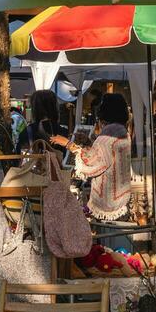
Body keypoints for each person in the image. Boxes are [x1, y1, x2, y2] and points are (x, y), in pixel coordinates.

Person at [53, 91, 133, 220]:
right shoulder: (123, 133)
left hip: (107, 202)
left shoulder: (107, 136)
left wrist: (68, 144)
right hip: (122, 198)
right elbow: (105, 157)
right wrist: (89, 143)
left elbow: (91, 163)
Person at [16, 89, 65, 153]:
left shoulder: (27, 132)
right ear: (55, 107)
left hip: (34, 162)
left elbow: (20, 155)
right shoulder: (64, 132)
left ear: (34, 109)